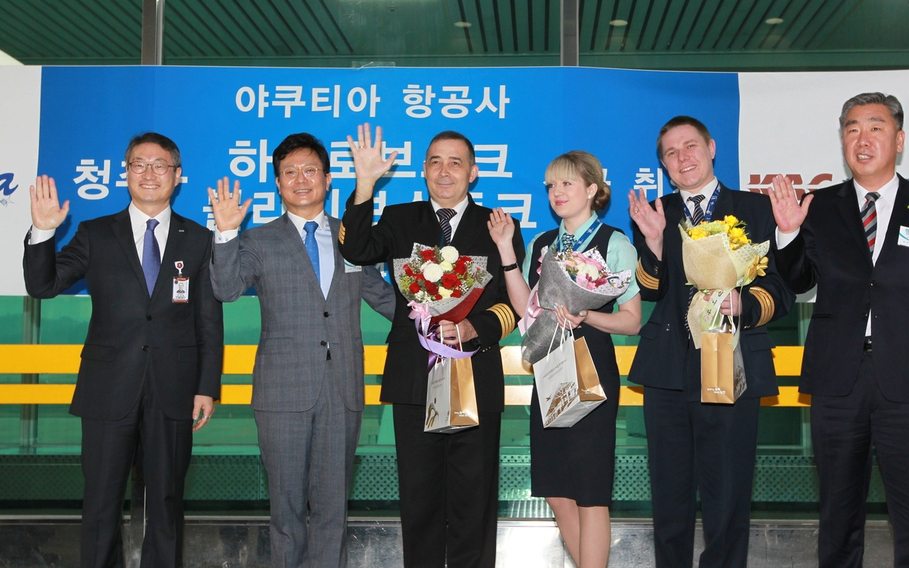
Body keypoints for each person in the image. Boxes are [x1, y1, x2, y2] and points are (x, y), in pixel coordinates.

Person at [23, 132, 223, 568]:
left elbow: (208, 320)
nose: (149, 173)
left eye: (159, 165)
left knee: (166, 503)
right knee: (100, 503)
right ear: (125, 173)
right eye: (138, 164)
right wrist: (42, 232)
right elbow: (42, 285)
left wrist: (206, 386)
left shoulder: (199, 240)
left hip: (173, 390)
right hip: (108, 388)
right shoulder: (96, 234)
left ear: (178, 175)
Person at [769, 92, 909, 568]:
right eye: (851, 128)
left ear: (899, 139)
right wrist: (787, 235)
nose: (862, 139)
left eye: (875, 127)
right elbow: (800, 280)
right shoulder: (819, 206)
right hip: (837, 377)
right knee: (838, 513)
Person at [339, 123, 523, 568]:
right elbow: (357, 248)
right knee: (419, 498)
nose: (445, 172)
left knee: (473, 498)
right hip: (413, 379)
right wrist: (365, 184)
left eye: (456, 162)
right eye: (435, 162)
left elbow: (515, 305)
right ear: (423, 170)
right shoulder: (401, 218)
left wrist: (474, 328)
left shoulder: (496, 225)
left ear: (473, 172)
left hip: (474, 377)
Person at [207, 132, 395, 567]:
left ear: (328, 180)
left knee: (333, 509)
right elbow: (226, 288)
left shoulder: (353, 238)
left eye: (310, 171)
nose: (301, 180)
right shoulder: (258, 240)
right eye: (289, 173)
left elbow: (381, 295)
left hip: (342, 388)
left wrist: (436, 321)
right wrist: (226, 232)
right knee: (286, 510)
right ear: (277, 184)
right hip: (281, 392)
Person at [628, 116, 794, 568]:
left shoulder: (755, 209)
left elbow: (780, 289)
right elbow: (648, 288)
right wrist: (656, 242)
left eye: (690, 146)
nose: (683, 158)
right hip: (667, 373)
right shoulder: (659, 211)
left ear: (712, 147)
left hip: (732, 367)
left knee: (728, 494)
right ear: (663, 164)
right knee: (669, 496)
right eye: (670, 153)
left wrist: (744, 304)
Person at [488, 150, 641, 567]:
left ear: (592, 189)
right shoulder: (541, 244)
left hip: (592, 364)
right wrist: (505, 250)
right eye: (551, 185)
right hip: (550, 368)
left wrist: (587, 314)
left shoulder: (614, 243)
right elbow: (526, 308)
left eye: (567, 183)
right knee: (557, 489)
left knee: (591, 491)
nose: (557, 192)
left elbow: (631, 321)